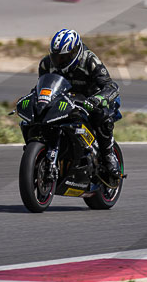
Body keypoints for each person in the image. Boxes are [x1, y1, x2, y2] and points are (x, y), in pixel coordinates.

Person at [39, 28, 120, 181]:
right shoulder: (46, 64)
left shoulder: (90, 61)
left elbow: (110, 86)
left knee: (101, 116)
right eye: (56, 57)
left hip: (92, 98)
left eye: (64, 57)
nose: (59, 62)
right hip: (65, 99)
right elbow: (43, 86)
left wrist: (97, 100)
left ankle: (109, 155)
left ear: (75, 52)